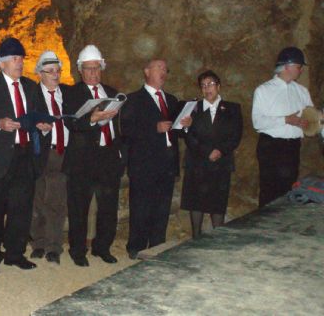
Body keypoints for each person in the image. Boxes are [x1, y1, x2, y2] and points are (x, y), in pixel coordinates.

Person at [0, 37, 51, 275]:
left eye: (22, 59)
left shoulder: (30, 87)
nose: (20, 63)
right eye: (15, 59)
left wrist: (43, 125)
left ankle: (15, 254)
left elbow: (41, 114)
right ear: (2, 63)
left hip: (24, 155)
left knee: (21, 208)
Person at [121, 59, 192, 259]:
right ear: (146, 71)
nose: (163, 72)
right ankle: (136, 247)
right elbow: (127, 131)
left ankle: (157, 246)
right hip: (144, 163)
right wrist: (154, 128)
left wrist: (186, 125)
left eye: (165, 69)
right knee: (140, 207)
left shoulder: (172, 100)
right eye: (159, 68)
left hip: (167, 163)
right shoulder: (133, 99)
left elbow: (177, 132)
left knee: (162, 208)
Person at [62, 45, 124, 266]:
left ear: (102, 68)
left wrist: (121, 154)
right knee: (79, 208)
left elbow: (120, 126)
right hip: (83, 161)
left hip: (109, 158)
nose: (93, 73)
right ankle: (78, 251)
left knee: (108, 208)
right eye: (88, 68)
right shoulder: (71, 93)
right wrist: (91, 119)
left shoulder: (113, 92)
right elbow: (71, 123)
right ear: (80, 70)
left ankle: (102, 247)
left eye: (96, 68)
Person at [181, 70, 243, 238]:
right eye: (203, 86)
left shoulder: (232, 109)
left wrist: (220, 151)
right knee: (196, 203)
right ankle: (195, 238)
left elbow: (236, 136)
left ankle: (218, 239)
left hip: (221, 163)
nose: (207, 88)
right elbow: (188, 136)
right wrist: (207, 151)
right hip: (197, 162)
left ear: (219, 86)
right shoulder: (192, 108)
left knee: (218, 203)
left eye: (210, 84)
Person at [252, 47, 313, 208]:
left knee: (288, 190)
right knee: (269, 191)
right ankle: (265, 223)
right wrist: (286, 119)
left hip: (292, 147)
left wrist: (307, 123)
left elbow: (311, 118)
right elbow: (257, 122)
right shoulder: (264, 90)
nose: (301, 70)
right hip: (271, 146)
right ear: (287, 66)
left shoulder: (302, 91)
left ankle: (282, 223)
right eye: (299, 66)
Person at [28, 51, 70, 265]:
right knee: (37, 198)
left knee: (56, 200)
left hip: (62, 152)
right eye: (50, 71)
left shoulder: (68, 94)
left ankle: (53, 246)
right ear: (40, 74)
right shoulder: (32, 95)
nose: (55, 75)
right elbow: (23, 120)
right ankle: (38, 242)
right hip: (40, 152)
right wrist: (37, 126)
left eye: (57, 71)